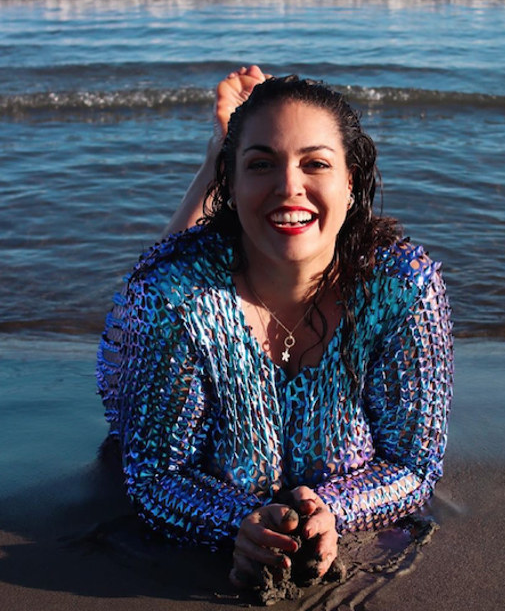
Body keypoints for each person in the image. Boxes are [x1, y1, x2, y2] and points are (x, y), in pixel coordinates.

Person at [96, 65, 453, 588]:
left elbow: (415, 465)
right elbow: (154, 476)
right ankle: (221, 155)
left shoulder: (402, 287)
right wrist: (233, 524)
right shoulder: (172, 299)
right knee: (159, 283)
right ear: (231, 184)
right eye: (261, 164)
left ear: (351, 181)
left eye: (316, 164)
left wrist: (335, 510)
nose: (289, 187)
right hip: (151, 335)